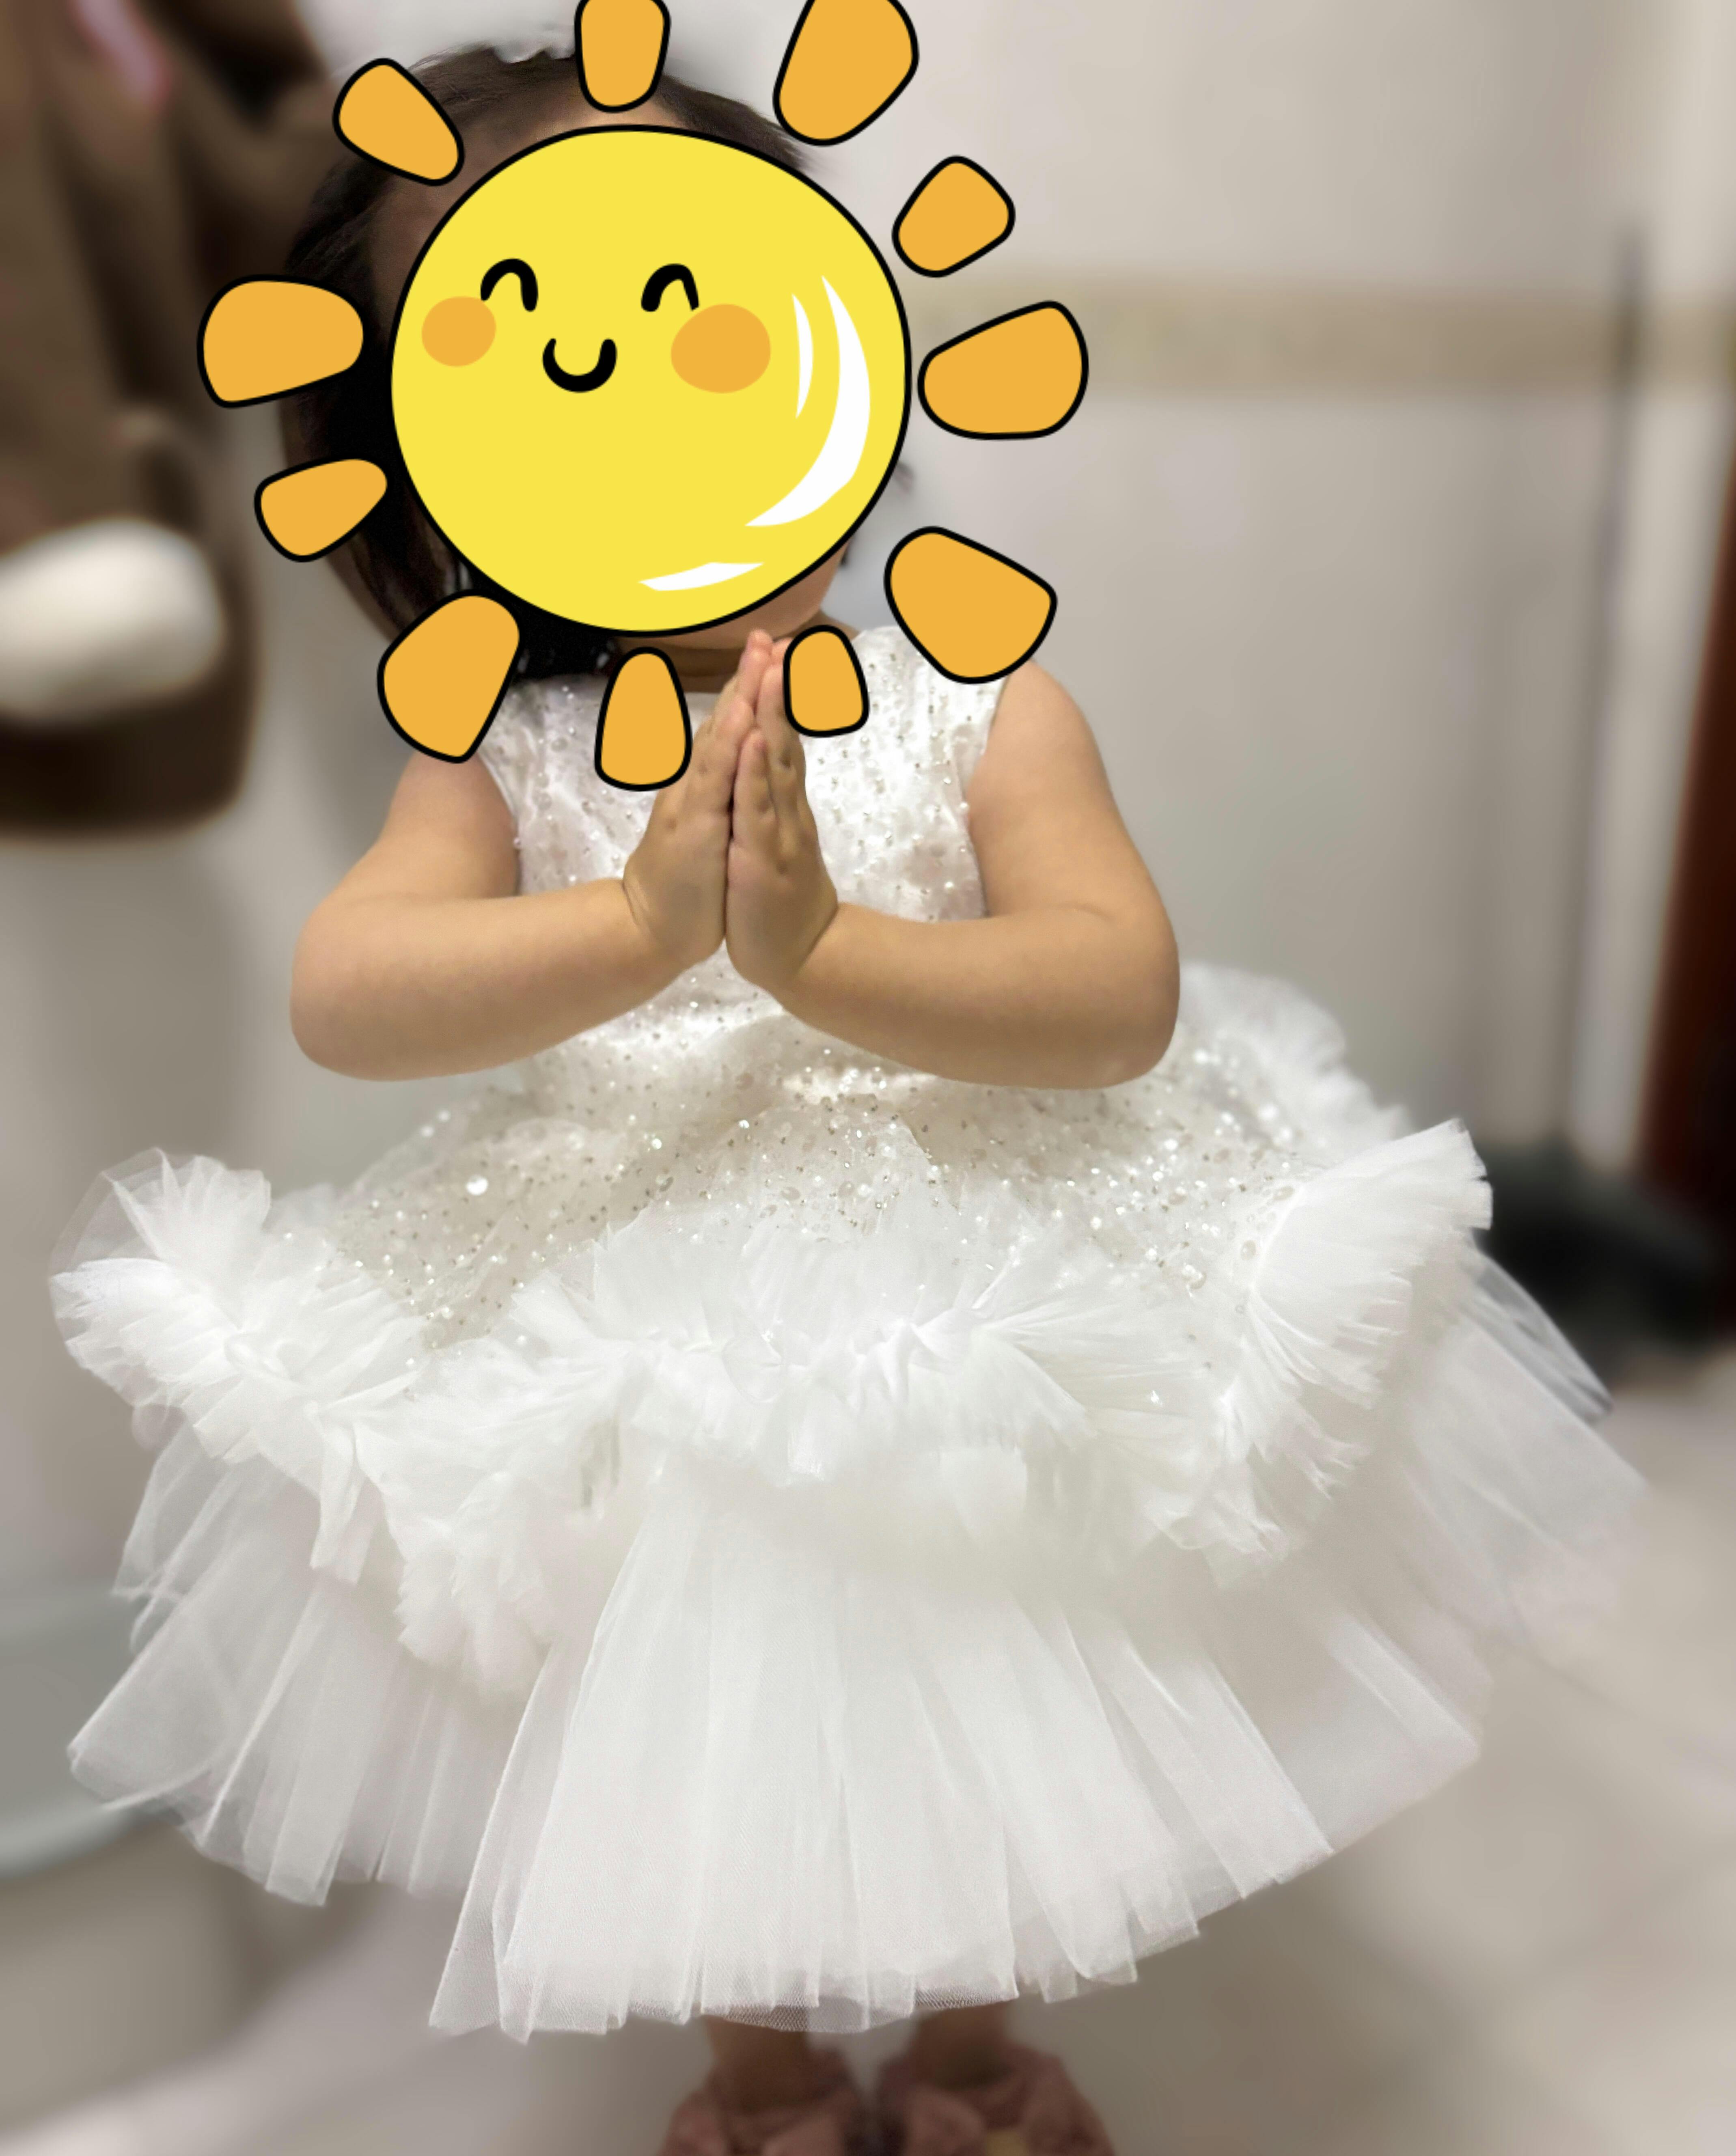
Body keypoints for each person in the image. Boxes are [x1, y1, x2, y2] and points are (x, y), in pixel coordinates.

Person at [51, 49, 1637, 2156]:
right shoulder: (503, 747)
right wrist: (635, 926)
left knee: (979, 1663)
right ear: (430, 473)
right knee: (683, 1706)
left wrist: (821, 957)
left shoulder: (976, 699)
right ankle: (765, 2083)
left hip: (974, 1275)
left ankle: (971, 2067)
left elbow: (1111, 994)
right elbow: (353, 991)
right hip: (633, 1298)